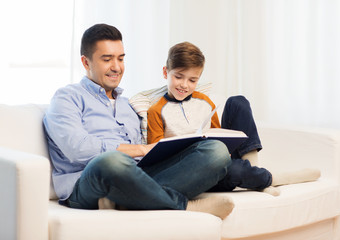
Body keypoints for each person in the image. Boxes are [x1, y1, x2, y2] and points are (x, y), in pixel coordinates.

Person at [43, 23, 235, 220]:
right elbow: (77, 148)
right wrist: (141, 149)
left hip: (138, 176)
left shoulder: (130, 105)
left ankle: (130, 199)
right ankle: (183, 205)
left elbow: (148, 154)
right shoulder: (67, 97)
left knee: (215, 151)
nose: (116, 67)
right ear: (86, 62)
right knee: (110, 161)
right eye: (107, 59)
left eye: (120, 58)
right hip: (88, 183)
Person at [147, 42, 321, 196]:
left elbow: (216, 133)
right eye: (178, 77)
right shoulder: (156, 111)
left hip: (221, 157)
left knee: (237, 102)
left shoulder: (204, 101)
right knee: (234, 169)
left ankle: (255, 173)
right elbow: (157, 156)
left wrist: (225, 148)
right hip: (199, 172)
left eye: (192, 80)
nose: (184, 85)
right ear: (165, 72)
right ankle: (268, 179)